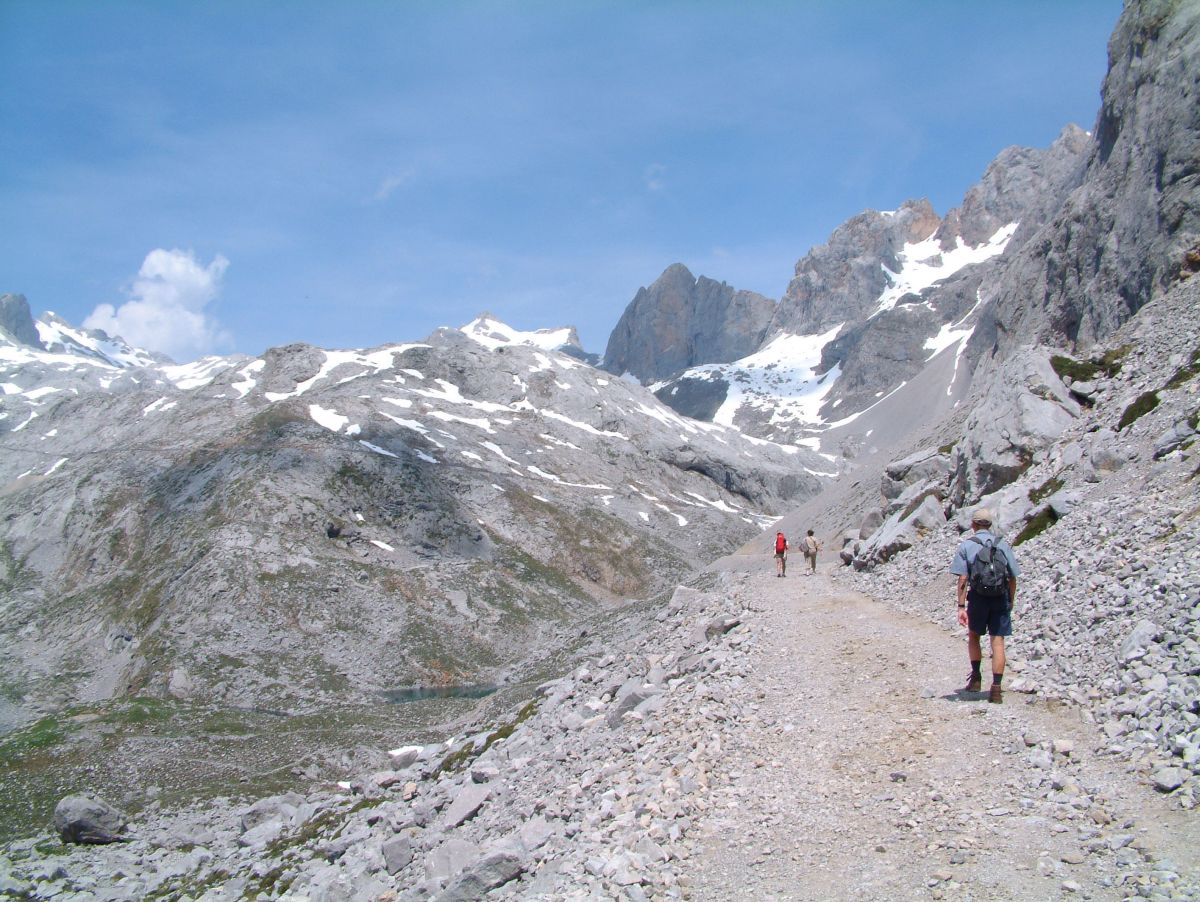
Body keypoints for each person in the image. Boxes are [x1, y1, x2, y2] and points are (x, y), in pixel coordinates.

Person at [950, 508, 1020, 703]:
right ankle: (996, 689)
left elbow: (963, 578)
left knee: (974, 636)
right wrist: (1010, 600)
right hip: (1000, 597)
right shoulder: (1002, 545)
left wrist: (961, 606)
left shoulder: (967, 546)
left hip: (978, 598)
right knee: (998, 642)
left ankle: (976, 679)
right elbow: (1013, 577)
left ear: (973, 525)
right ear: (990, 525)